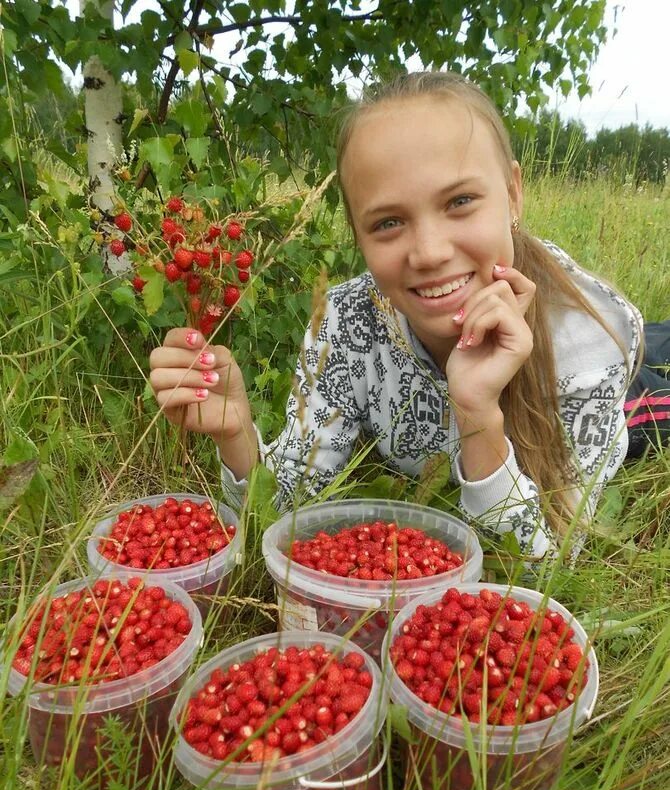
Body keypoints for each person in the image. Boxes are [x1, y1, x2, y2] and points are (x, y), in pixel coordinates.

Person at [149, 70, 661, 560]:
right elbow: (288, 506)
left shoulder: (592, 336)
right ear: (358, 236)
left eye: (459, 201)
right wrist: (236, 435)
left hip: (631, 393)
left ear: (512, 194)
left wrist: (478, 413)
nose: (430, 252)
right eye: (389, 222)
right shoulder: (346, 322)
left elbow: (545, 566)